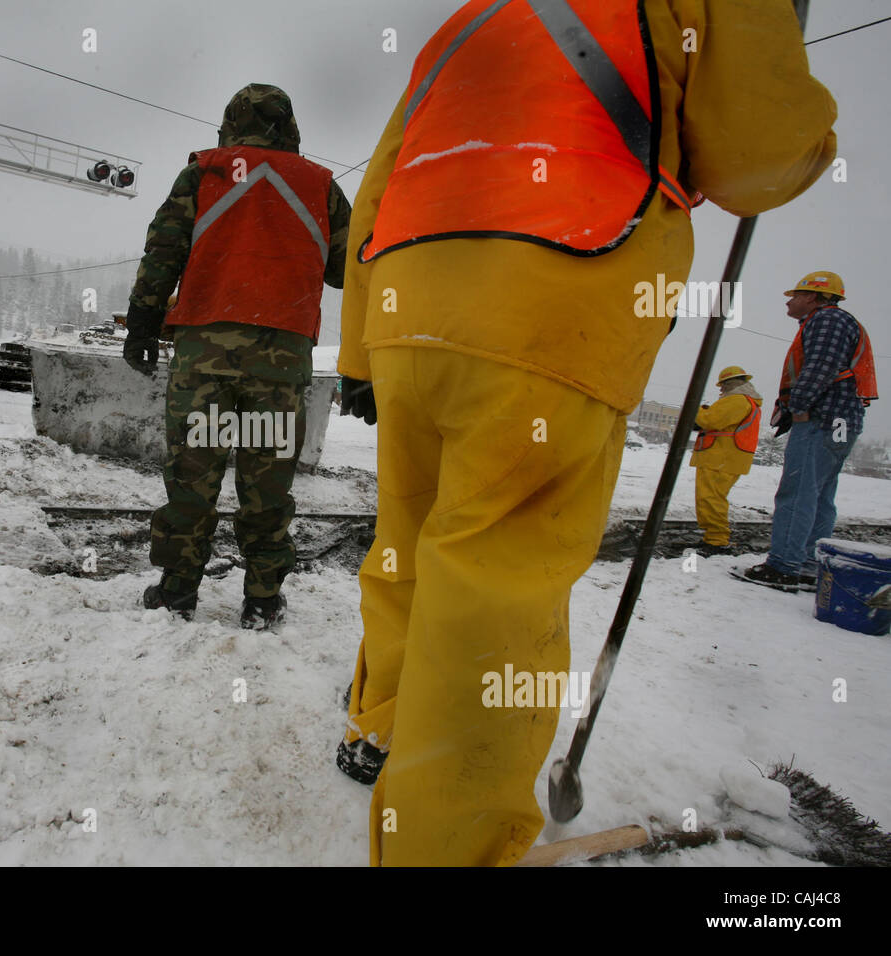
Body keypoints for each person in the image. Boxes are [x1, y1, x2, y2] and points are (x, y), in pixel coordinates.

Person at [335, 0, 836, 865]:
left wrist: (357, 353)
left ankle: (379, 730)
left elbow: (379, 185)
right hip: (553, 295)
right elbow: (759, 156)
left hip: (407, 299)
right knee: (495, 580)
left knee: (406, 545)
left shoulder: (468, 20)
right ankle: (446, 848)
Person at [123, 84, 352, 628]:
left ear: (230, 123)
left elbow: (163, 253)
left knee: (192, 477)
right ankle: (263, 599)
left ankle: (178, 592)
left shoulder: (205, 173)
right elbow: (348, 269)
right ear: (289, 126)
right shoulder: (320, 186)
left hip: (204, 356)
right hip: (280, 362)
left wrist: (142, 324)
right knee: (266, 485)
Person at [740, 272, 877, 591]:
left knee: (798, 491)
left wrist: (793, 406)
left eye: (796, 295)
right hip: (842, 421)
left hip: (821, 418)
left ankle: (784, 566)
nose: (789, 301)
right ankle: (808, 562)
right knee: (820, 493)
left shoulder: (827, 320)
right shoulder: (841, 322)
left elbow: (819, 368)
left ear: (814, 297)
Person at [690, 366, 762, 555]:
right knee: (710, 497)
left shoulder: (736, 400)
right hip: (724, 456)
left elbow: (710, 421)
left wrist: (695, 408)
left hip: (721, 456)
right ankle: (713, 538)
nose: (721, 390)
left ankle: (717, 540)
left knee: (711, 498)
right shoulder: (743, 401)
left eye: (722, 385)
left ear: (731, 383)